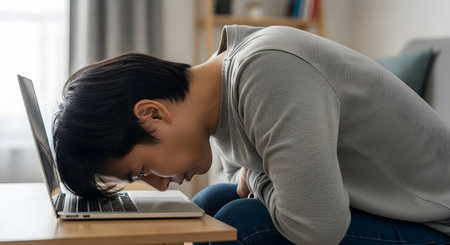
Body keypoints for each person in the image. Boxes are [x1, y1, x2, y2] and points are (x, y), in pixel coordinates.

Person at [52, 25, 450, 244]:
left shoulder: (265, 70)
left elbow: (317, 230)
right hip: (386, 208)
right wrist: (253, 175)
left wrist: (255, 174)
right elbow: (238, 180)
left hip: (437, 221)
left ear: (152, 113)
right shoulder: (221, 96)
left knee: (245, 224)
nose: (157, 186)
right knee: (211, 200)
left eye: (141, 170)